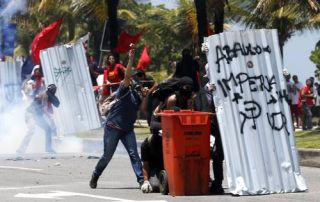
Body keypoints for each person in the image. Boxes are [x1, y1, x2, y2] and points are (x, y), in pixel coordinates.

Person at [90, 46, 147, 189]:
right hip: (113, 127)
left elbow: (143, 109)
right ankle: (96, 174)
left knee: (134, 154)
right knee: (107, 156)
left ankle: (141, 181)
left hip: (127, 129)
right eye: (136, 82)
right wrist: (131, 58)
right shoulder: (124, 90)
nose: (138, 84)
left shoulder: (137, 98)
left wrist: (146, 95)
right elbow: (127, 76)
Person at [140, 76, 195, 193]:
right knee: (155, 185)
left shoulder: (191, 99)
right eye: (186, 87)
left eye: (190, 87)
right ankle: (148, 178)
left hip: (180, 132)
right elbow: (167, 121)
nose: (188, 90)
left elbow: (191, 118)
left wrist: (191, 106)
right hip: (162, 130)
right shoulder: (172, 100)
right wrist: (145, 180)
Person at [16, 84, 60, 154]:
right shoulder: (45, 95)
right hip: (30, 114)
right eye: (54, 90)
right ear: (52, 90)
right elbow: (44, 109)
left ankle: (48, 148)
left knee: (48, 129)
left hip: (36, 116)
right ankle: (20, 149)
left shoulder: (45, 95)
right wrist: (50, 118)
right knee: (31, 131)